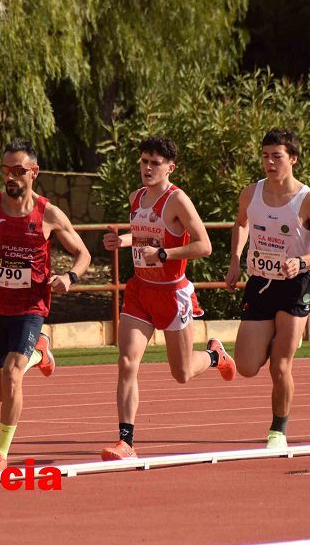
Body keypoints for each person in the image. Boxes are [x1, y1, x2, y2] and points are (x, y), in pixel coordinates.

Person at [101, 136, 236, 460]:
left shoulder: (177, 201)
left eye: (155, 163)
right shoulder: (136, 197)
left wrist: (164, 253)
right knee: (127, 362)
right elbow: (142, 233)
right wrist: (122, 240)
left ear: (170, 168)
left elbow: (204, 245)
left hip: (173, 294)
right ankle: (126, 442)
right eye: (144, 161)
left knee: (183, 373)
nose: (147, 168)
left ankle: (215, 356)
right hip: (139, 292)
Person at [0, 140, 91, 471]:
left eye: (18, 171)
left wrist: (70, 277)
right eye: (6, 170)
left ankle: (0, 454)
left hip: (31, 307)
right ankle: (39, 354)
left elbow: (83, 254)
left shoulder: (48, 213)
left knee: (12, 373)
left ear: (34, 173)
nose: (11, 177)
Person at [224, 128, 310, 449]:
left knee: (281, 364)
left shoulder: (309, 201)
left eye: (277, 156)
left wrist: (302, 262)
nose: (270, 163)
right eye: (265, 156)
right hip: (260, 283)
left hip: (294, 285)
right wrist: (235, 260)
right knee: (245, 367)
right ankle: (262, 342)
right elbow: (242, 223)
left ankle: (278, 430)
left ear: (293, 159)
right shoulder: (251, 193)